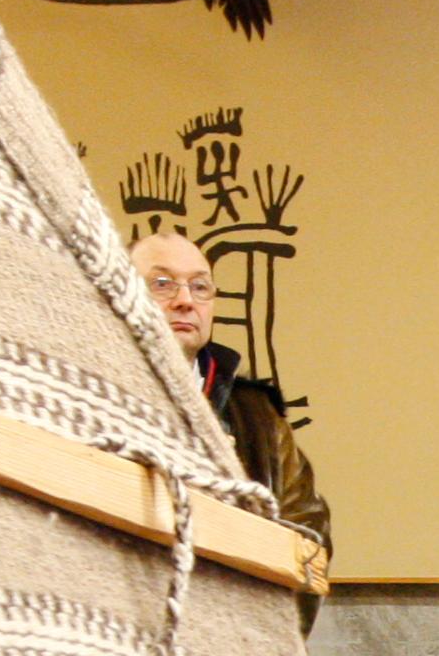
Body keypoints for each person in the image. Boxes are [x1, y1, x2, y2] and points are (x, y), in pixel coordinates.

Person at [134, 226, 333, 623]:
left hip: (237, 630)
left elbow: (307, 534)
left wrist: (264, 633)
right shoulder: (86, 395)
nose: (185, 301)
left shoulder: (256, 415)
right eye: (162, 284)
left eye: (200, 287)